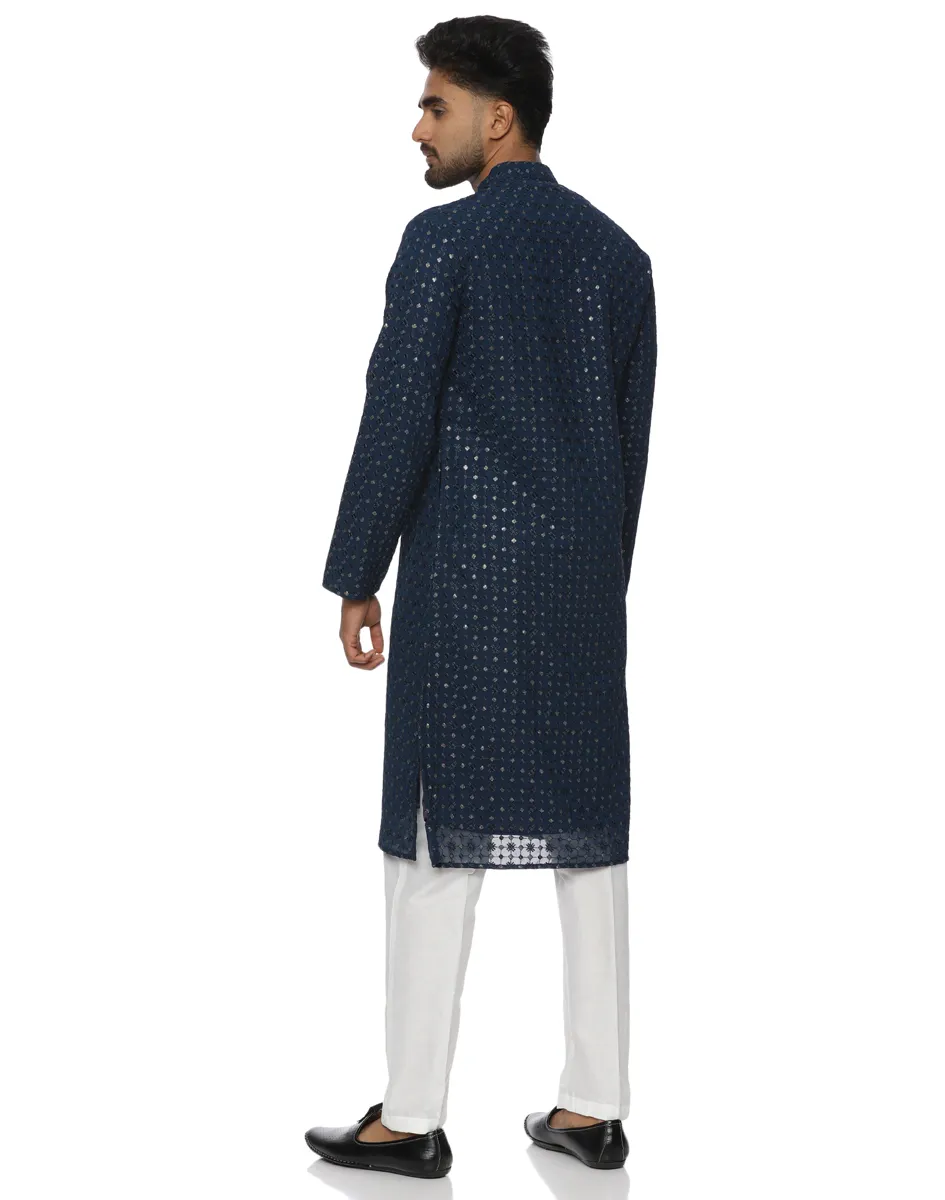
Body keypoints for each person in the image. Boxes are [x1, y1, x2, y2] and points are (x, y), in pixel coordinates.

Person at [305, 15, 657, 1179]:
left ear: (497, 118)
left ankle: (408, 1119)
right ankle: (593, 1108)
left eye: (435, 105)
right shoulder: (619, 258)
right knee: (589, 843)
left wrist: (356, 570)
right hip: (580, 598)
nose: (418, 127)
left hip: (465, 589)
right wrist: (597, 586)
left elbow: (397, 416)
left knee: (431, 844)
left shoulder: (443, 243)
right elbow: (628, 450)